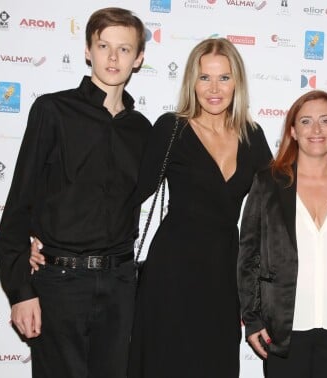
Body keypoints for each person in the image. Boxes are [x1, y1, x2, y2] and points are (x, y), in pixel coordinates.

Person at [0, 7, 150, 378]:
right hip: (59, 284)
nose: (113, 57)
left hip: (119, 286)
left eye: (124, 49)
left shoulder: (143, 131)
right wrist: (20, 290)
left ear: (139, 58)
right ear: (87, 51)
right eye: (103, 46)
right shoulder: (52, 110)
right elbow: (19, 203)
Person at [127, 38, 272, 377]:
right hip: (171, 271)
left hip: (223, 274)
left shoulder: (252, 136)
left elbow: (278, 205)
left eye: (224, 77)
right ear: (192, 81)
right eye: (204, 77)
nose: (214, 89)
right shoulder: (172, 128)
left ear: (237, 82)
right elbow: (132, 194)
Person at [238, 90, 327, 378]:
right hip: (283, 329)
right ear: (293, 131)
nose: (316, 130)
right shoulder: (268, 183)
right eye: (306, 121)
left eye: (325, 121)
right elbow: (248, 256)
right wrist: (252, 319)